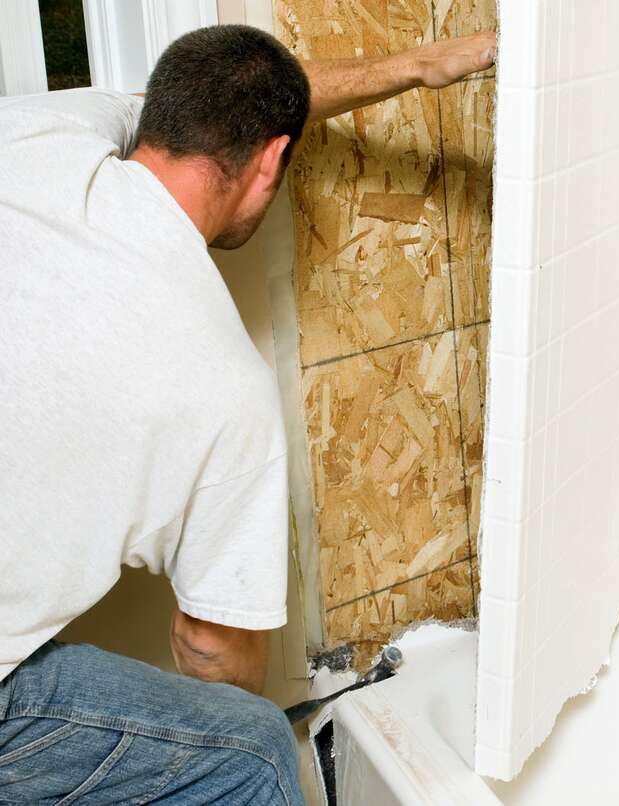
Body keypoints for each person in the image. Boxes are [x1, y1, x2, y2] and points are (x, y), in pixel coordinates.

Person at [0, 23, 494, 804]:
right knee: (252, 752)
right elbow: (209, 651)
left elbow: (241, 103)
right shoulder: (223, 386)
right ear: (271, 163)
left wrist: (419, 66)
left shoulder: (38, 133)